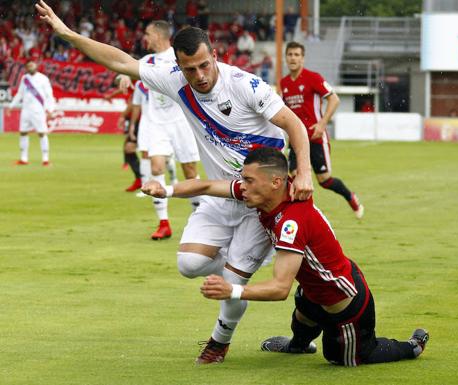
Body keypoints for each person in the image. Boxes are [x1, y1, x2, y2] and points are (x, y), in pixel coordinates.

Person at [36, 0, 313, 364]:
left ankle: (219, 341)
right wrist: (66, 33)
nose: (199, 75)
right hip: (218, 194)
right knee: (189, 264)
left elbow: (293, 124)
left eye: (204, 65)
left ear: (214, 54)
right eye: (189, 69)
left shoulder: (245, 85)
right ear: (178, 67)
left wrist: (305, 170)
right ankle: (245, 265)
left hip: (259, 200)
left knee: (230, 285)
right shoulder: (171, 79)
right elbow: (120, 61)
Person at [141, 147, 429, 367]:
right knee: (303, 313)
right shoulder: (265, 192)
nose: (242, 185)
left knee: (344, 358)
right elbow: (205, 186)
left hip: (344, 302)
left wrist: (233, 290)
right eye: (243, 178)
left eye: (249, 180)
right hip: (312, 292)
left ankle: (411, 346)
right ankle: (298, 345)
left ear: (276, 182)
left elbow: (280, 289)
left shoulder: (291, 220)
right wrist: (164, 190)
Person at [281, 41, 364, 218]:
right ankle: (301, 218)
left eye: (297, 55)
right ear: (286, 58)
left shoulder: (313, 77)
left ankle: (350, 197)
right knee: (296, 177)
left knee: (324, 181)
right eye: (290, 54)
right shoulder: (284, 83)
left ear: (303, 59)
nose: (293, 58)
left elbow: (334, 99)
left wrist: (322, 124)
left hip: (316, 138)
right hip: (297, 140)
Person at [135, 20, 202, 240]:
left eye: (148, 33)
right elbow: (126, 70)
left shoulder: (178, 58)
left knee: (190, 172)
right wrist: (123, 77)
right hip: (157, 124)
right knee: (156, 167)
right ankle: (164, 223)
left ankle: (200, 222)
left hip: (181, 122)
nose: (145, 37)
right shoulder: (146, 61)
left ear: (159, 35)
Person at [8, 59, 55, 166]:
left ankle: (45, 159)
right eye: (28, 66)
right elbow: (20, 94)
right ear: (26, 68)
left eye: (32, 65)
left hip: (38, 111)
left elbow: (49, 96)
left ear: (36, 66)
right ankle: (23, 159)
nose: (31, 67)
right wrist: (11, 106)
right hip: (26, 110)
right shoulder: (25, 79)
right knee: (23, 132)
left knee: (42, 133)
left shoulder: (43, 79)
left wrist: (50, 110)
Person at [104, 80, 142, 191]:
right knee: (129, 148)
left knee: (133, 149)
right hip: (139, 120)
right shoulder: (135, 80)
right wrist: (111, 95)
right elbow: (124, 89)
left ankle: (142, 179)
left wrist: (122, 116)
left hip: (142, 121)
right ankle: (140, 179)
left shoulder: (139, 79)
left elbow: (133, 103)